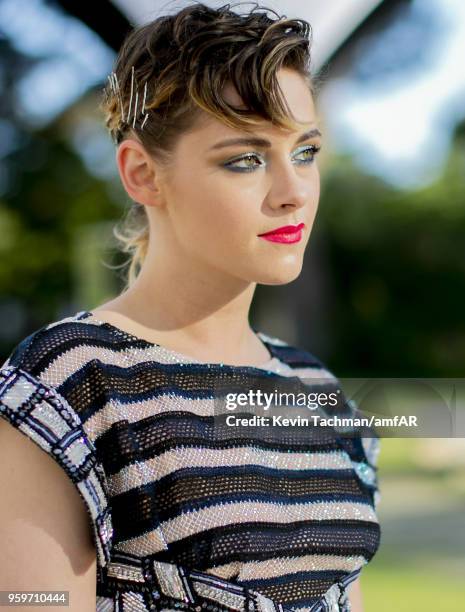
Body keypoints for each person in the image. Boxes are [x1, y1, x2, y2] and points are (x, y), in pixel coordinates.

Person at [0, 3, 381, 611]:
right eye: (245, 159)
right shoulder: (69, 382)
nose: (293, 193)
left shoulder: (317, 391)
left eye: (305, 152)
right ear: (143, 173)